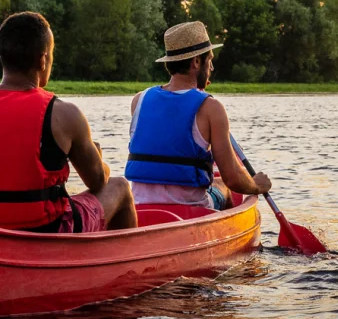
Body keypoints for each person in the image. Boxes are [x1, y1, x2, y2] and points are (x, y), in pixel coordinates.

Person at [0, 12, 137, 233]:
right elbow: (97, 182)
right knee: (119, 187)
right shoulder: (64, 114)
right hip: (48, 229)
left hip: (3, 233)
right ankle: (123, 263)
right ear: (43, 60)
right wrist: (99, 161)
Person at [125, 21, 271, 210]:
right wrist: (256, 185)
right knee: (223, 186)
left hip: (141, 208)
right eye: (209, 60)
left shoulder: (139, 100)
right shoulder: (211, 108)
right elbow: (233, 179)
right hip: (191, 208)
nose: (211, 68)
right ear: (196, 62)